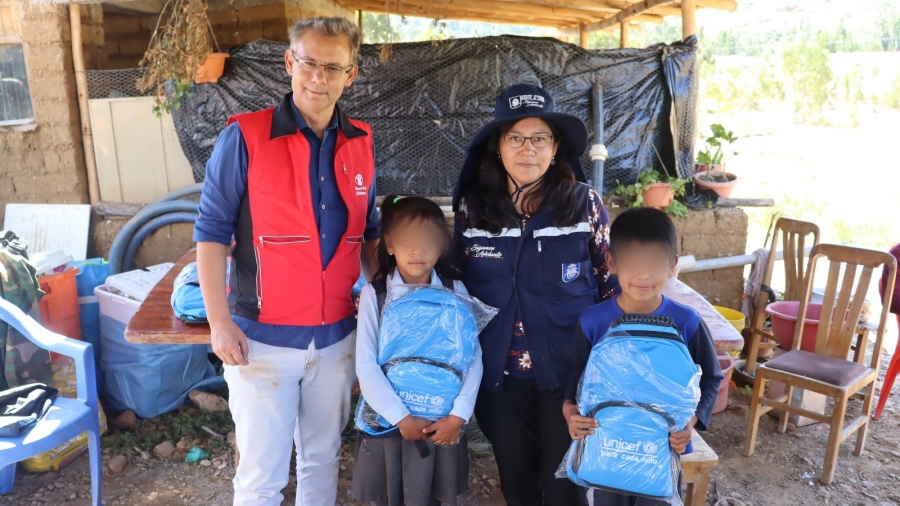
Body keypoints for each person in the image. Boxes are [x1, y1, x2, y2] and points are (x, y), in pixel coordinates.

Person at [193, 17, 380, 506]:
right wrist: (218, 322)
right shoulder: (246, 137)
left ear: (351, 74)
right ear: (289, 63)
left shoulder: (361, 141)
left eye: (332, 67)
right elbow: (211, 233)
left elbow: (371, 235)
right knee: (260, 476)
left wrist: (376, 307)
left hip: (338, 337)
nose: (318, 78)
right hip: (262, 340)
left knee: (321, 459)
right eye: (308, 63)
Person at [449, 83, 618, 506]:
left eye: (539, 138)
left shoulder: (585, 205)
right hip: (499, 381)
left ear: (556, 146)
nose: (528, 149)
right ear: (498, 147)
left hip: (568, 379)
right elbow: (453, 280)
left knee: (566, 487)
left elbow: (610, 287)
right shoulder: (473, 207)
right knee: (518, 484)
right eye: (516, 138)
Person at [564, 207, 723, 506]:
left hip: (660, 450)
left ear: (673, 266)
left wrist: (690, 423)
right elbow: (576, 376)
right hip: (606, 446)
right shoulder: (593, 321)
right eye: (632, 263)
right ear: (611, 262)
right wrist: (569, 411)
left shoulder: (687, 322)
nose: (643, 275)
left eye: (654, 263)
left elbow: (711, 379)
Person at [353, 195, 483, 506]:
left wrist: (458, 416)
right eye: (408, 240)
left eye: (427, 241)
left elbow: (472, 359)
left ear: (442, 246)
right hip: (391, 423)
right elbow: (366, 364)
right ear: (390, 244)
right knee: (390, 495)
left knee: (436, 495)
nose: (417, 249)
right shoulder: (377, 295)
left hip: (442, 423)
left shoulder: (456, 292)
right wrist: (400, 417)